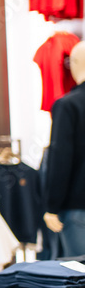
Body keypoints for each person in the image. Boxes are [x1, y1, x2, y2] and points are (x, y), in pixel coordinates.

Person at [43, 40, 85, 256]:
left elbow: (61, 158)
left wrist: (52, 206)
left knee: (78, 278)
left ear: (74, 63)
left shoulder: (68, 105)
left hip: (77, 206)